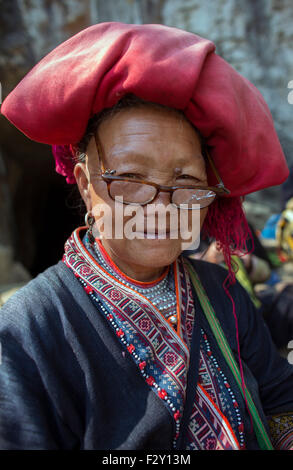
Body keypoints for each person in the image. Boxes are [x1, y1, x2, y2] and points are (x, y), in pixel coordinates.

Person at [1, 22, 293, 451]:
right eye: (131, 178)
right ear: (85, 184)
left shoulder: (221, 292)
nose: (160, 207)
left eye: (186, 181)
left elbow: (279, 398)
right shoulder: (30, 330)